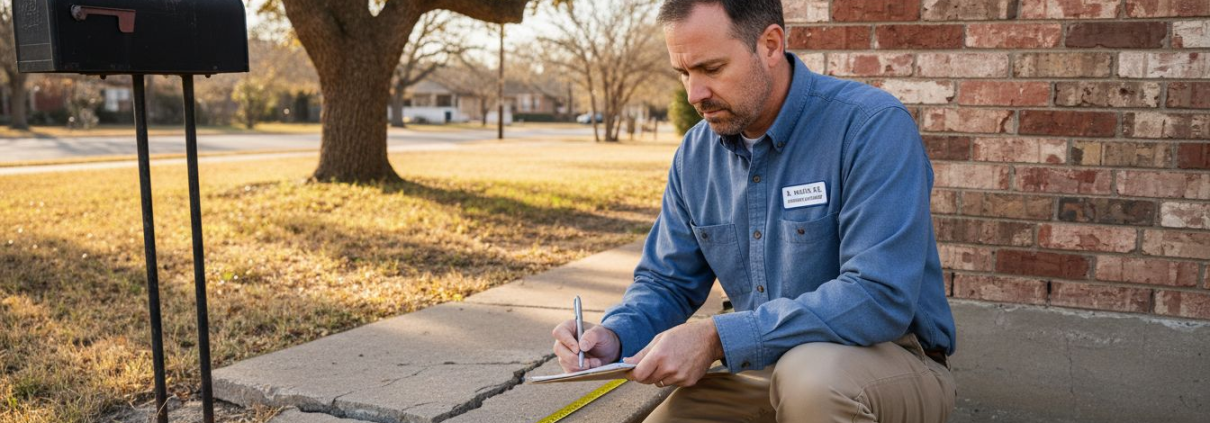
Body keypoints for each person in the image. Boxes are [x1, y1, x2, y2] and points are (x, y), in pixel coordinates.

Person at [550, 0, 957, 421]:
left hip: (890, 361)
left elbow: (878, 296)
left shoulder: (870, 126)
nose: (694, 94)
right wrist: (615, 336)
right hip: (763, 365)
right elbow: (666, 281)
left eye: (710, 69)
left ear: (770, 44)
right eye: (684, 73)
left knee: (811, 380)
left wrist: (716, 338)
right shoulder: (695, 155)